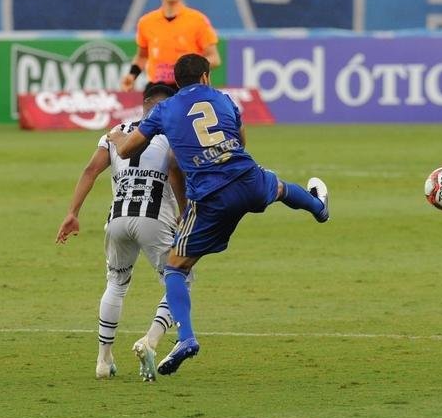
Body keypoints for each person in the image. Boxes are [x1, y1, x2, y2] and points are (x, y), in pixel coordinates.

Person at [107, 54, 329, 377]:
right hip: (246, 176)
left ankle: (186, 339)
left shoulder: (165, 110)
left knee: (175, 268)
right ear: (206, 77)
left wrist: (115, 137)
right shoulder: (225, 99)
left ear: (178, 82)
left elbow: (129, 150)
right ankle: (319, 208)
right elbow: (240, 140)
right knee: (280, 188)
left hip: (210, 197)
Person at [55, 83, 190, 382]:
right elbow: (175, 170)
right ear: (167, 105)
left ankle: (103, 360)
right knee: (181, 279)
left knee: (116, 283)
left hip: (117, 218)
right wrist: (185, 210)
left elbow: (90, 171)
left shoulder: (117, 130)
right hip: (155, 219)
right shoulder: (174, 131)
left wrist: (72, 213)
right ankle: (150, 341)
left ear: (144, 104)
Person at [119, 0, 220, 91]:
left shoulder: (198, 20)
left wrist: (189, 69)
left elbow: (214, 58)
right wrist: (132, 76)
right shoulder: (146, 22)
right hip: (158, 87)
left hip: (189, 86)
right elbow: (142, 56)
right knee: (155, 103)